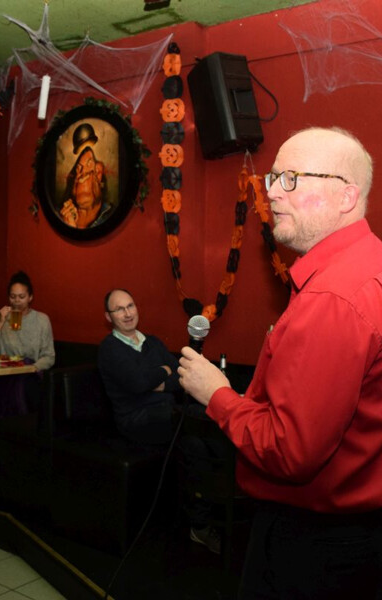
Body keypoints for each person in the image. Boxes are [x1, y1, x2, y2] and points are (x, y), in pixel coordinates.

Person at [178, 127, 382, 599]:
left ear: (346, 195)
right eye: (273, 177)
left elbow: (291, 451)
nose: (270, 192)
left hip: (315, 544)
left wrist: (216, 394)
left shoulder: (333, 297)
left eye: (290, 178)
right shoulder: (366, 265)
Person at [98, 288, 220, 553]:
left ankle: (200, 525)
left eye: (130, 305)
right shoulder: (109, 349)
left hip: (169, 413)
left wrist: (159, 380)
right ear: (109, 317)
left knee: (196, 443)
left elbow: (180, 377)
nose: (127, 313)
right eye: (119, 309)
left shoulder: (152, 342)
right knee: (204, 418)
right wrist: (162, 372)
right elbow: (137, 383)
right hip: (135, 420)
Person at [0, 271, 54, 418]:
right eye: (13, 297)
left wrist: (34, 367)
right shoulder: (0, 317)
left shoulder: (41, 320)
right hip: (2, 374)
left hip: (29, 373)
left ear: (30, 297)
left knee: (26, 388)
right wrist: (1, 322)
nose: (17, 301)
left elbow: (49, 356)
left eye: (22, 297)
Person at [59, 123, 113, 229]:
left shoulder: (112, 216)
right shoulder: (59, 214)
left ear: (99, 173)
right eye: (78, 168)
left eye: (89, 164)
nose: (83, 172)